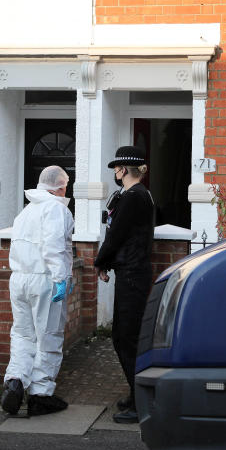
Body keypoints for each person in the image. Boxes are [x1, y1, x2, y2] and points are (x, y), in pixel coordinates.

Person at [1, 165, 75, 417]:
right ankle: (40, 394)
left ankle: (15, 380)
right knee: (49, 336)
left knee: (23, 334)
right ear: (61, 186)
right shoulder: (56, 209)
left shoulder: (27, 211)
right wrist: (61, 278)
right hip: (44, 280)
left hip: (19, 278)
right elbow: (54, 247)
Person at [95, 145, 155, 424]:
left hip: (132, 274)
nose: (115, 173)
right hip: (132, 273)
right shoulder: (137, 195)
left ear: (122, 170)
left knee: (126, 338)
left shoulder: (133, 197)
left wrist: (100, 262)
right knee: (126, 337)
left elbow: (116, 234)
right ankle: (136, 394)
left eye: (115, 169)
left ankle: (142, 402)